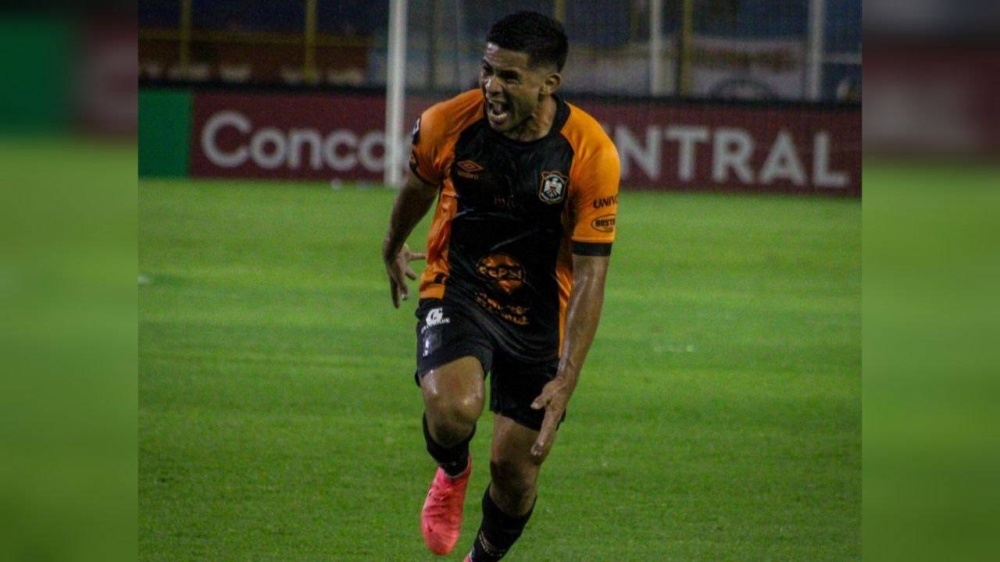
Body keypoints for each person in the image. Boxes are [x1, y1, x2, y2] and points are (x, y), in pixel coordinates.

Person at [381, 11, 619, 561]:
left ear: (547, 84)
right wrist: (392, 244)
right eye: (487, 70)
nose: (491, 86)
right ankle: (451, 470)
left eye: (510, 77)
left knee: (514, 472)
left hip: (539, 312)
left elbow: (591, 275)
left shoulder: (590, 153)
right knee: (452, 411)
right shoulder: (447, 123)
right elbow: (417, 188)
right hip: (458, 285)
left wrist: (568, 378)